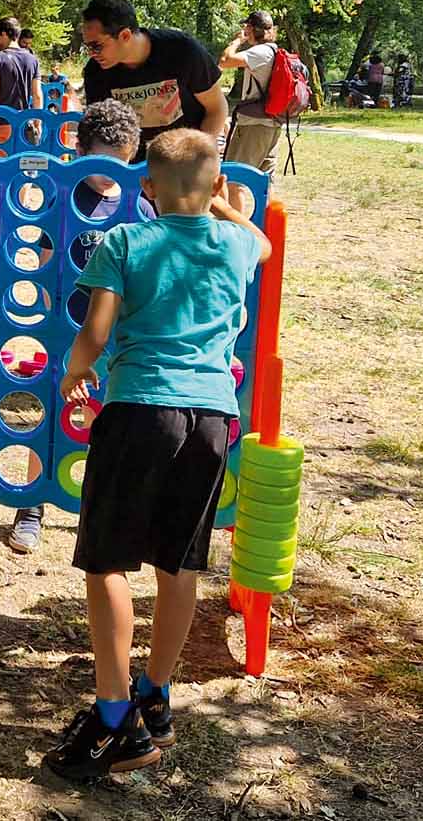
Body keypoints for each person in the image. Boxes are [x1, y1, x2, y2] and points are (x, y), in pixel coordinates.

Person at [43, 128, 270, 782]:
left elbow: (96, 328)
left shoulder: (126, 240)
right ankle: (156, 692)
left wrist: (71, 371)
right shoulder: (234, 244)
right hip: (211, 420)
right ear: (216, 184)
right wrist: (225, 203)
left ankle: (116, 717)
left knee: (107, 563)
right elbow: (263, 242)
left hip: (141, 409)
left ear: (146, 189)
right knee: (179, 562)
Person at [7, 100, 144, 556]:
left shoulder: (138, 205)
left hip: (118, 336)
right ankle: (31, 505)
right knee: (50, 412)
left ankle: (101, 507)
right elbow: (46, 262)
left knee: (107, 419)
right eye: (102, 159)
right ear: (81, 150)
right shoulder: (63, 197)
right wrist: (52, 319)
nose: (110, 172)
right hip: (67, 328)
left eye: (121, 162)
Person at [77, 0, 227, 152]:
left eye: (96, 46)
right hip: (132, 166)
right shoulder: (95, 71)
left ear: (125, 36)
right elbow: (98, 132)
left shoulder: (183, 51)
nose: (91, 54)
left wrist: (199, 154)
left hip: (185, 160)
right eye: (88, 46)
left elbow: (216, 108)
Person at [218, 10, 283, 175]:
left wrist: (237, 41)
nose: (245, 30)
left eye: (247, 26)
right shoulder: (274, 50)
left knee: (234, 178)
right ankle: (267, 203)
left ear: (253, 29)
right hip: (271, 122)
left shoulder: (260, 52)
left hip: (254, 124)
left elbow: (224, 62)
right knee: (264, 181)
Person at [0, 17, 41, 110]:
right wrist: (38, 122)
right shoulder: (33, 59)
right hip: (23, 119)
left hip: (2, 119)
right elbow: (37, 95)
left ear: (3, 34)